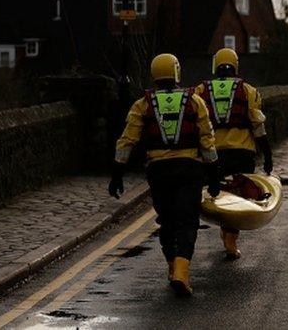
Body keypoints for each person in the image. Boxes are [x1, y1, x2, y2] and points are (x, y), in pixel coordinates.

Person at [109, 53, 220, 296]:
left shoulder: (142, 104)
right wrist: (213, 174)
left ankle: (171, 266)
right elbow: (207, 140)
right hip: (189, 168)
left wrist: (117, 173)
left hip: (158, 171)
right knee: (187, 220)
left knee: (167, 220)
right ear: (177, 72)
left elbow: (127, 140)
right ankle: (182, 271)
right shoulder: (195, 101)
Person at [194, 48, 272, 260]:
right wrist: (267, 154)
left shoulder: (200, 91)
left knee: (214, 192)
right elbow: (258, 126)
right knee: (236, 196)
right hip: (242, 153)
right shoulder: (248, 91)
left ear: (215, 66)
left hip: (213, 155)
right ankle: (230, 239)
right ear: (236, 66)